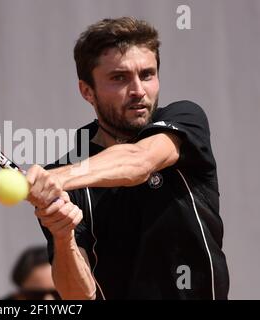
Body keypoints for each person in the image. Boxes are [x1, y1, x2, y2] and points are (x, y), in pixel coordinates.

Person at [25, 17, 230, 300]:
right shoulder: (67, 183)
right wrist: (63, 237)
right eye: (119, 78)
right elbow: (78, 296)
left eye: (147, 74)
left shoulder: (185, 120)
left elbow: (138, 162)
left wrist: (56, 178)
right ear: (87, 91)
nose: (138, 91)